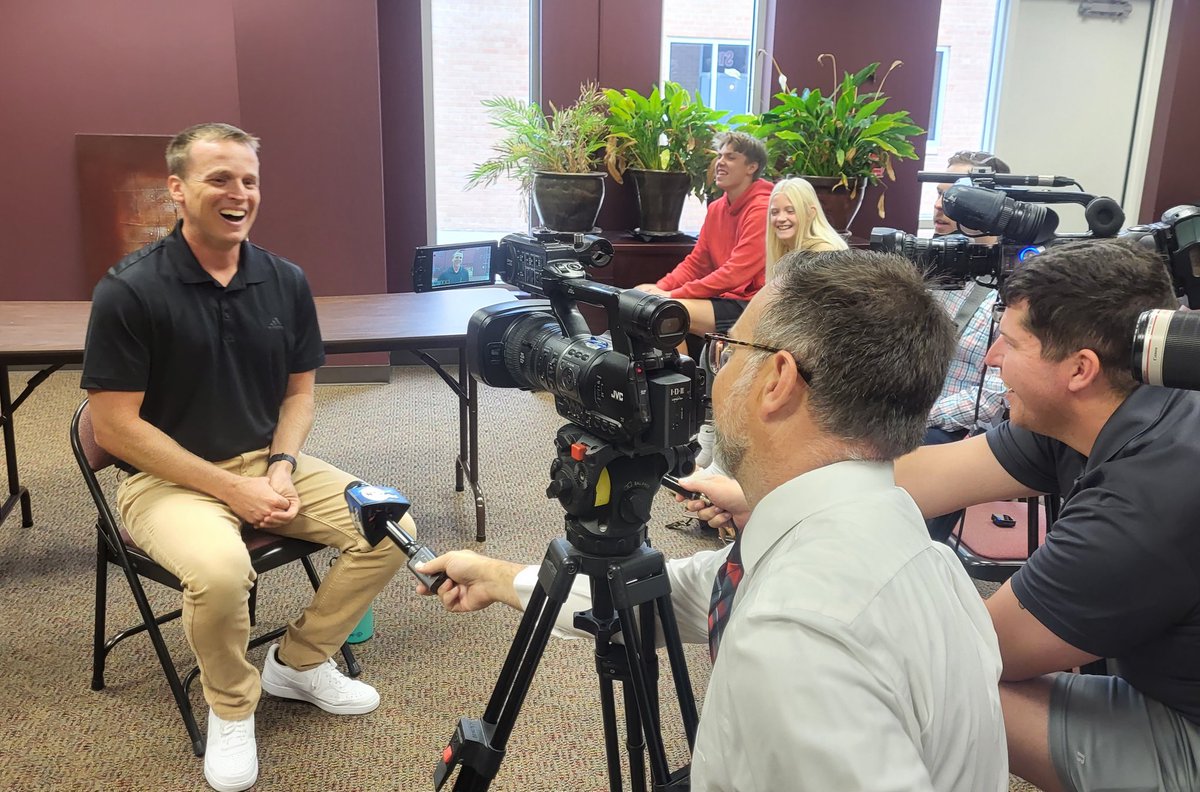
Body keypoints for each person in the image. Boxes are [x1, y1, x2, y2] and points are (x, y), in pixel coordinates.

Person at [417, 250, 1008, 791]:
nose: (708, 372)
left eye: (727, 350)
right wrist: (498, 578)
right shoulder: (916, 555)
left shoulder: (795, 639)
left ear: (776, 381)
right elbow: (674, 597)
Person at [688, 240, 1196, 792]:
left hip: (1186, 732)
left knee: (935, 676)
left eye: (1012, 341)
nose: (990, 356)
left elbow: (981, 646)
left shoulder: (1147, 499)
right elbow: (929, 473)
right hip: (1154, 682)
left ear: (1080, 369)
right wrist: (774, 488)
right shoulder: (1114, 407)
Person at [81, 123, 408, 792]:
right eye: (219, 178)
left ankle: (298, 662)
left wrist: (280, 468)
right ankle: (232, 706)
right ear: (177, 189)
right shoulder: (130, 290)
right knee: (225, 574)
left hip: (265, 461)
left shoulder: (284, 281)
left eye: (250, 180)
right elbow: (113, 429)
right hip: (166, 480)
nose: (239, 193)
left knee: (391, 528)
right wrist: (231, 492)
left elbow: (299, 396)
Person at [923, 150, 1011, 541]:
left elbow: (999, 393)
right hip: (913, 408)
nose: (940, 205)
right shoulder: (935, 264)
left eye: (954, 196)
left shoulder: (1020, 277)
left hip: (962, 424)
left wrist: (921, 416)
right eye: (939, 194)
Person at [634, 131, 772, 343]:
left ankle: (684, 375)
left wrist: (673, 295)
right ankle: (679, 374)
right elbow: (696, 263)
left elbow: (735, 274)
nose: (720, 163)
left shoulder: (762, 209)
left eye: (731, 157)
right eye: (720, 156)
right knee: (645, 304)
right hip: (724, 299)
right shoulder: (716, 208)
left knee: (666, 312)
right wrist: (661, 288)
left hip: (754, 304)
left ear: (751, 167)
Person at [764, 177, 847, 279]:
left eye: (790, 211)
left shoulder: (824, 254)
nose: (780, 218)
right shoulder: (786, 249)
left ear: (811, 213)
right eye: (774, 212)